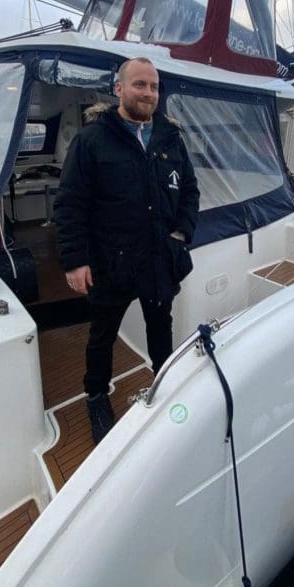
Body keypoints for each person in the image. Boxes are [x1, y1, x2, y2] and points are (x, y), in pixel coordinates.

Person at [54, 57, 200, 444]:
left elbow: (189, 192)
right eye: (139, 85)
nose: (149, 93)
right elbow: (70, 204)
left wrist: (181, 234)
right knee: (102, 335)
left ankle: (162, 383)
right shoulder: (92, 141)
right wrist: (75, 260)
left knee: (160, 329)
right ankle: (97, 397)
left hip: (158, 258)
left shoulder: (171, 139)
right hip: (110, 261)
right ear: (118, 89)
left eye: (153, 87)